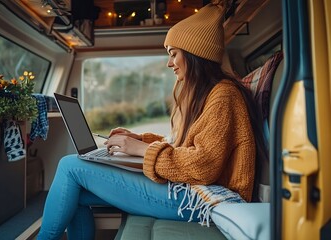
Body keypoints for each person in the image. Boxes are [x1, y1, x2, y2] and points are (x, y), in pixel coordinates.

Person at [37, 0, 267, 239]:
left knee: (69, 165)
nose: (169, 63)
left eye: (173, 54)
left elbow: (203, 166)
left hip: (205, 197)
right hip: (190, 188)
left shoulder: (224, 95)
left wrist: (141, 149)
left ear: (195, 54)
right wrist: (137, 139)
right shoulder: (208, 94)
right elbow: (182, 145)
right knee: (75, 190)